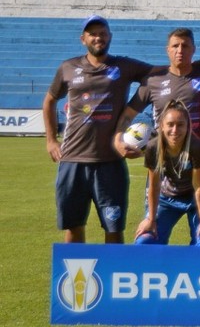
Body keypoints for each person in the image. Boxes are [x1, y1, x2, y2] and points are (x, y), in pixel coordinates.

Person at [43, 15, 153, 243]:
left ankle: (112, 277)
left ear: (110, 37)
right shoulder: (68, 67)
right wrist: (51, 140)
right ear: (83, 39)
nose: (98, 37)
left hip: (110, 161)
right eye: (92, 34)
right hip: (73, 159)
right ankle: (74, 279)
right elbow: (49, 100)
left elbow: (163, 74)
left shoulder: (123, 66)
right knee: (73, 227)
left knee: (113, 228)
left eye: (102, 33)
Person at [116, 27, 200, 231]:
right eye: (175, 46)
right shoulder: (153, 81)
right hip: (162, 173)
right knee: (150, 235)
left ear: (194, 49)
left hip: (199, 170)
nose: (180, 50)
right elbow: (127, 115)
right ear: (167, 50)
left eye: (185, 46)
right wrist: (118, 140)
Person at [126, 100, 200, 246]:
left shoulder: (197, 146)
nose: (175, 130)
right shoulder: (153, 147)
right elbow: (154, 185)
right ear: (161, 126)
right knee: (144, 242)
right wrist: (150, 219)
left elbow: (199, 186)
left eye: (180, 125)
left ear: (188, 126)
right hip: (168, 197)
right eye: (170, 124)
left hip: (197, 198)